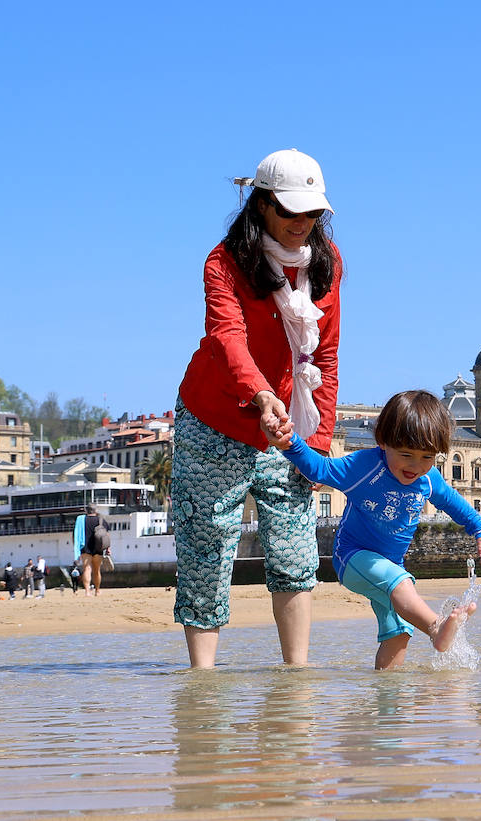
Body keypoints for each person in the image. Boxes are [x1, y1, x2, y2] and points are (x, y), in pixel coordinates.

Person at [171, 148, 344, 670]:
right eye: (291, 211)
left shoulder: (328, 267)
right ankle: (201, 684)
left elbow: (327, 356)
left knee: (294, 549)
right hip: (215, 418)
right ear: (262, 204)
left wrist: (315, 445)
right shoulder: (224, 262)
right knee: (207, 545)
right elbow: (228, 337)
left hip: (290, 425)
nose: (303, 224)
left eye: (313, 213)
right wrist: (263, 394)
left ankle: (297, 675)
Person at [277, 390, 481, 670]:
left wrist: (479, 528)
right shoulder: (364, 466)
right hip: (353, 558)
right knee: (402, 583)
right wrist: (290, 441)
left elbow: (453, 502)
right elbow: (319, 468)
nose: (415, 466)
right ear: (383, 442)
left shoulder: (428, 478)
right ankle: (435, 627)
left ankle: (389, 703)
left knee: (399, 630)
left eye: (427, 456)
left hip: (391, 566)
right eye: (406, 454)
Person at [75, 504, 111, 596]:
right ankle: (97, 590)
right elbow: (107, 535)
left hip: (85, 548)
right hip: (98, 548)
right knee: (97, 570)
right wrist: (108, 548)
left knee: (87, 569)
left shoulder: (82, 520)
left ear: (86, 511)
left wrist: (77, 549)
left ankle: (87, 591)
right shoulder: (101, 520)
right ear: (96, 510)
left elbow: (76, 535)